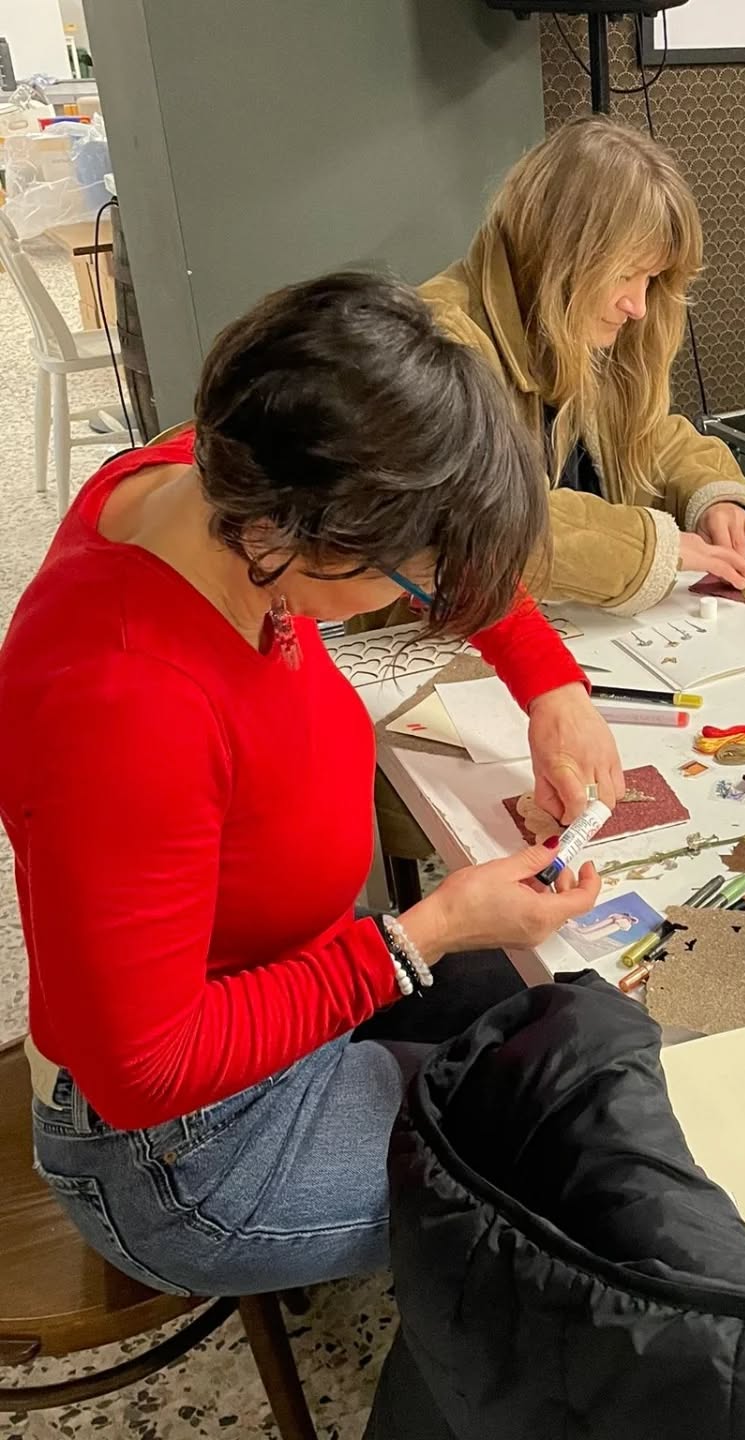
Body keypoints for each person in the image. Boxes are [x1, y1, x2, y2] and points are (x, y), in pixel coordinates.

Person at [0, 272, 623, 1297]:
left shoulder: (219, 475)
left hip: (290, 994)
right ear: (302, 539)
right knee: (572, 1152)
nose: (427, 600)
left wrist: (551, 687)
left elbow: (445, 548)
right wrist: (421, 935)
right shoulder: (123, 701)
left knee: (582, 1019)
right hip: (184, 1152)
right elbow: (145, 1071)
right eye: (408, 585)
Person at [422, 116, 745, 616]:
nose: (639, 306)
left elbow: (649, 436)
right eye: (625, 275)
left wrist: (712, 496)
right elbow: (483, 519)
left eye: (651, 279)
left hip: (566, 628)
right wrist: (654, 548)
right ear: (558, 257)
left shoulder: (582, 318)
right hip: (448, 644)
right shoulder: (437, 341)